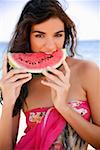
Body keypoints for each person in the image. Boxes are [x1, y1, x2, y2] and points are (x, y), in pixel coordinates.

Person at [0, 0, 100, 149]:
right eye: (40, 35)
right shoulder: (20, 79)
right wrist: (7, 105)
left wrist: (63, 107)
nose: (51, 46)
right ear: (27, 36)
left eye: (58, 35)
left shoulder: (87, 71)